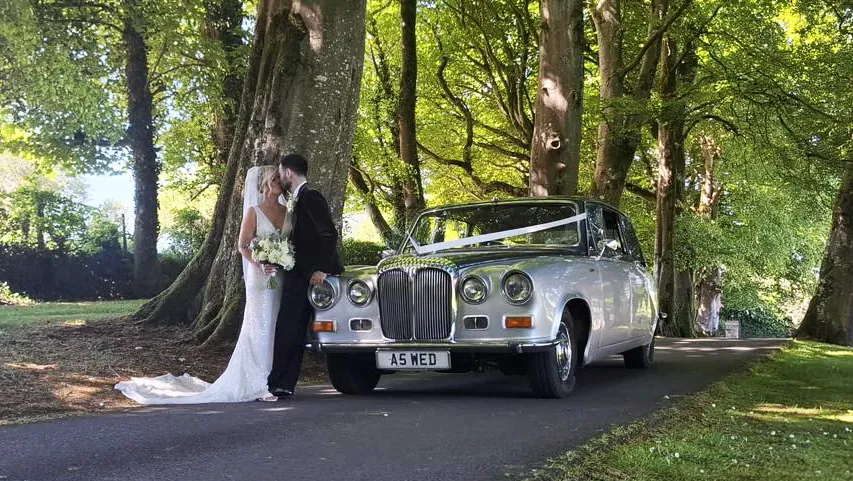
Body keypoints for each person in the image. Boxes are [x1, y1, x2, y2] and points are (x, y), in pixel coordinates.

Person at [115, 165, 291, 404]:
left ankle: (279, 377)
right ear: (266, 183)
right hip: (260, 276)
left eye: (281, 178)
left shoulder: (288, 211)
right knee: (261, 324)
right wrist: (261, 264)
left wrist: (284, 258)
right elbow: (243, 246)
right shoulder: (254, 211)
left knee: (278, 324)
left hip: (280, 274)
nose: (281, 181)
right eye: (276, 178)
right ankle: (259, 382)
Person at [267, 153, 343, 398]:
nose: (281, 177)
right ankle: (283, 383)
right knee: (292, 329)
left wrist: (322, 268)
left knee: (290, 328)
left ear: (289, 172)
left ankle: (279, 383)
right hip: (297, 272)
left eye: (282, 172)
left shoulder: (310, 196)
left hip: (307, 275)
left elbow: (329, 233)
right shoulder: (296, 199)